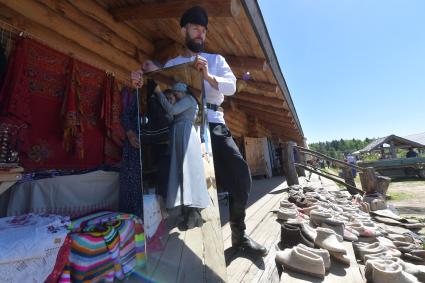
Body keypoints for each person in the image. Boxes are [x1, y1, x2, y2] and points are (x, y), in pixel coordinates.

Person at [131, 6, 267, 256]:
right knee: (176, 174)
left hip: (213, 122)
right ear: (184, 30)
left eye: (203, 30)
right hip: (182, 125)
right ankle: (181, 227)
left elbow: (233, 87)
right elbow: (158, 90)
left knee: (241, 176)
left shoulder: (215, 60)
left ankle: (239, 238)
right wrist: (143, 78)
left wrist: (209, 76)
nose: (200, 34)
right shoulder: (172, 63)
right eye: (195, 28)